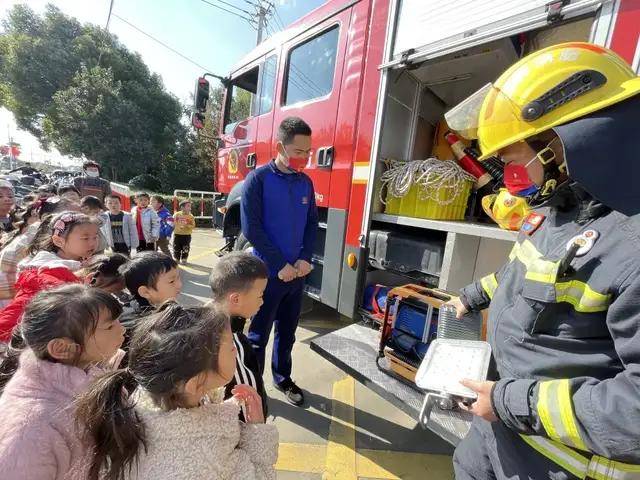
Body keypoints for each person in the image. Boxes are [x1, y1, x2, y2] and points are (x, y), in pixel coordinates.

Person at [443, 43, 640, 479]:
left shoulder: (632, 245)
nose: (510, 183)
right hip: (494, 439)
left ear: (564, 143)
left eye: (512, 162)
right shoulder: (557, 209)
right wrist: (471, 297)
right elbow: (522, 274)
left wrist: (509, 402)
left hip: (551, 463)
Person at [76, 303, 279, 480]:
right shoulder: (205, 460)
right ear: (194, 382)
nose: (236, 348)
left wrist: (216, 403)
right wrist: (256, 432)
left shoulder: (150, 395)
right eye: (230, 347)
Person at [0, 284, 125, 480]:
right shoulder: (31, 431)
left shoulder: (90, 368)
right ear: (61, 348)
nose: (122, 329)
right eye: (110, 326)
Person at [241, 117, 318, 406]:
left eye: (308, 152)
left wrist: (304, 258)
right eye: (299, 152)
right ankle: (254, 388)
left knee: (288, 333)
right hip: (267, 274)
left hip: (296, 275)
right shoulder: (258, 180)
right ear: (279, 146)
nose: (304, 158)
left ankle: (282, 378)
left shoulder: (305, 183)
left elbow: (312, 224)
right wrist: (279, 265)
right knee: (258, 336)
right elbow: (252, 229)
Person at [0, 211, 100, 342]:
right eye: (85, 238)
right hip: (15, 335)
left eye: (95, 237)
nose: (92, 243)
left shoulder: (65, 263)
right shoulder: (49, 269)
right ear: (58, 241)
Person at [209, 251, 270, 419]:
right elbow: (247, 396)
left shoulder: (203, 322)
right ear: (235, 299)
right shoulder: (233, 344)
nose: (262, 301)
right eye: (260, 295)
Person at [0, 198, 79, 308]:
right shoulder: (34, 243)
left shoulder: (38, 236)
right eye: (72, 217)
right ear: (50, 217)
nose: (81, 220)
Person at [119, 251, 181, 333]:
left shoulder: (164, 305)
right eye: (171, 281)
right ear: (145, 292)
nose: (179, 285)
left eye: (179, 277)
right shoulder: (138, 328)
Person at [173, 200, 195, 264]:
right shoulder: (177, 214)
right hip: (177, 234)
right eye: (188, 206)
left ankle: (184, 258)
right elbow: (172, 223)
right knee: (176, 247)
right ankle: (177, 258)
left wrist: (187, 225)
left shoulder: (191, 216)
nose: (190, 208)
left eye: (190, 206)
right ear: (182, 207)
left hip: (186, 235)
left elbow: (193, 226)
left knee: (186, 248)